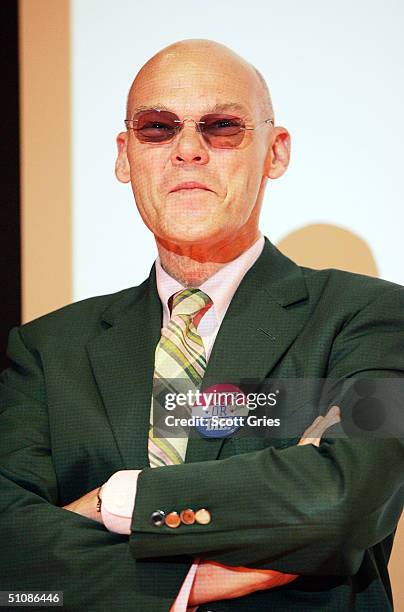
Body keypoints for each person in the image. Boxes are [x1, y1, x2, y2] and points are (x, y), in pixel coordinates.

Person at [0, 38, 403, 612]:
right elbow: (9, 550)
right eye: (158, 128)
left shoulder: (373, 317)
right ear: (124, 155)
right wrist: (191, 583)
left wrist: (116, 499)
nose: (188, 149)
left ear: (276, 152)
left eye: (221, 126)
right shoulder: (48, 349)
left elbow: (343, 497)